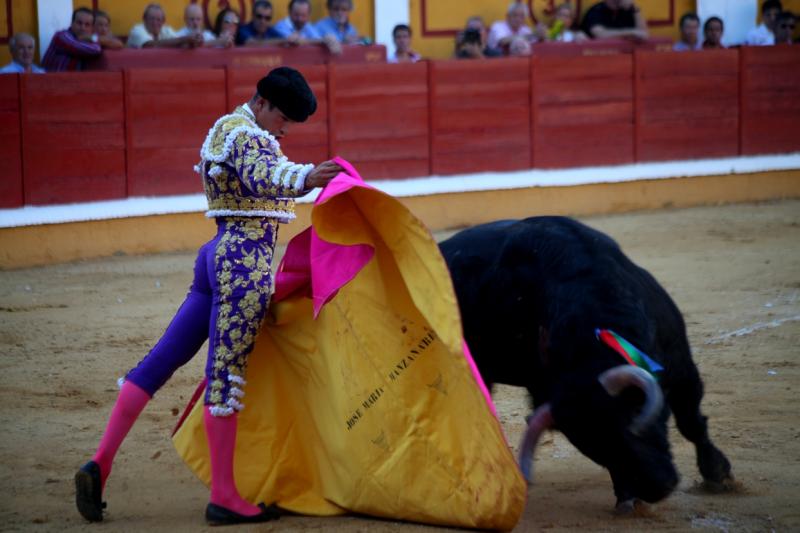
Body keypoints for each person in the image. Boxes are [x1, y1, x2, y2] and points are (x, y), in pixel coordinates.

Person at [74, 66, 344, 525]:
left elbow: (257, 173)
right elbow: (265, 175)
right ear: (261, 102)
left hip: (214, 256)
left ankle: (100, 461)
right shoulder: (251, 138)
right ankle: (225, 497)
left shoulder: (227, 127)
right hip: (242, 264)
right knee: (226, 377)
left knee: (160, 361)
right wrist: (306, 178)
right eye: (283, 118)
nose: (285, 128)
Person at [41, 7, 102, 71]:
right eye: (79, 23)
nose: (82, 28)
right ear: (72, 23)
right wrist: (92, 38)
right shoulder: (61, 36)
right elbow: (95, 49)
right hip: (50, 80)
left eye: (87, 25)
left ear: (92, 27)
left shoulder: (87, 40)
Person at [127, 3, 203, 49]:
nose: (155, 22)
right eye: (151, 19)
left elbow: (180, 43)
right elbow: (149, 44)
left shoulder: (166, 30)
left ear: (163, 22)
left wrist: (194, 41)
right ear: (144, 19)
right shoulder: (137, 30)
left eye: (158, 20)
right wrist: (184, 40)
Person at [580, 0, 649, 41]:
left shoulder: (628, 11)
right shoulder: (596, 10)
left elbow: (643, 33)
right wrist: (631, 32)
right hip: (596, 54)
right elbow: (600, 34)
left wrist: (634, 8)